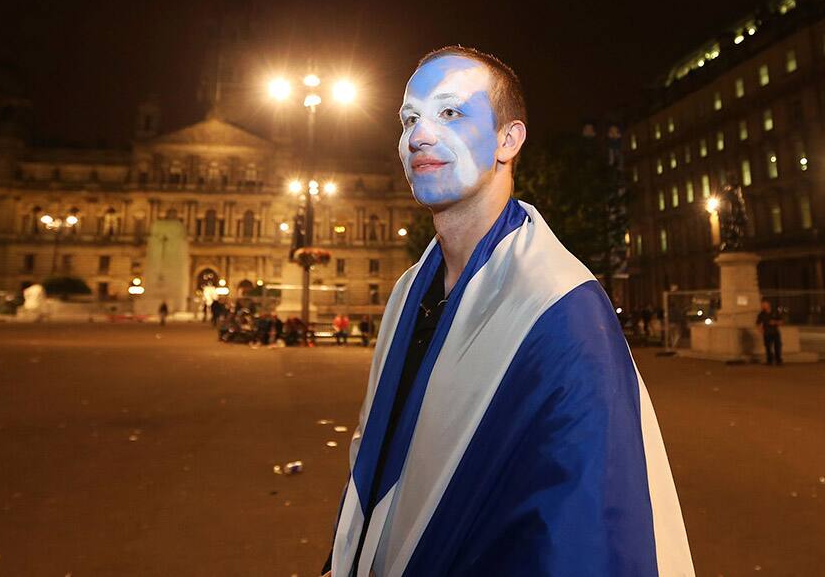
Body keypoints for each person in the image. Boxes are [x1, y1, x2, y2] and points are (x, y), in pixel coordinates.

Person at [323, 47, 693, 576]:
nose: (419, 136)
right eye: (409, 118)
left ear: (508, 139)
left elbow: (586, 531)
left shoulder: (562, 307)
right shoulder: (408, 291)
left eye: (450, 113)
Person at [756, 299, 783, 365]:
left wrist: (775, 322)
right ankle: (769, 360)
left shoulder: (775, 312)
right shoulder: (761, 314)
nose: (763, 306)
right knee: (768, 347)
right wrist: (761, 329)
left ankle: (778, 360)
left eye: (764, 304)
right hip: (767, 333)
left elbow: (781, 322)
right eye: (762, 304)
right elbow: (758, 323)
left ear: (768, 304)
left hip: (775, 332)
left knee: (777, 347)